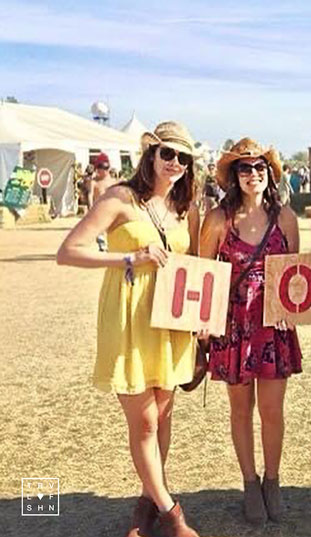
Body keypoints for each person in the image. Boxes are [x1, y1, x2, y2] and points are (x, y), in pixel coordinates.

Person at [56, 121, 202, 537]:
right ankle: (173, 515)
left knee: (163, 413)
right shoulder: (120, 197)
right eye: (168, 153)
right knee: (145, 423)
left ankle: (147, 502)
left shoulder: (184, 206)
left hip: (171, 320)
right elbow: (68, 252)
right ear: (151, 155)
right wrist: (128, 259)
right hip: (128, 316)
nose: (175, 163)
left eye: (183, 157)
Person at [199, 138, 303, 524]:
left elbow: (296, 277)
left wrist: (295, 309)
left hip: (274, 327)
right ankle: (249, 482)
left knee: (273, 412)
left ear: (270, 174)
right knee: (241, 411)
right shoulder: (217, 219)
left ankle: (273, 481)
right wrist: (205, 326)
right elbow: (204, 274)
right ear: (233, 175)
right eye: (245, 168)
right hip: (233, 326)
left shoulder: (286, 217)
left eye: (260, 167)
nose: (253, 174)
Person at [89, 153, 119, 251]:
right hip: (99, 209)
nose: (104, 170)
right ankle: (102, 246)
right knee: (100, 229)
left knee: (113, 229)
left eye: (106, 167)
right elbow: (90, 194)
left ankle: (112, 245)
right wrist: (90, 208)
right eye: (102, 167)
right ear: (97, 169)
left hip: (112, 209)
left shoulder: (114, 181)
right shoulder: (94, 182)